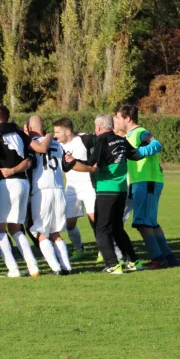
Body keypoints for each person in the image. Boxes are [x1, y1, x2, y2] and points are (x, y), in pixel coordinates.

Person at [67, 113, 151, 274]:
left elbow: (92, 164)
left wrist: (73, 161)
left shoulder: (102, 141)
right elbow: (136, 155)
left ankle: (112, 264)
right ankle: (133, 261)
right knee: (117, 227)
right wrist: (150, 145)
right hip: (121, 190)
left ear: (98, 127)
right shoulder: (121, 140)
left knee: (101, 228)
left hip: (106, 189)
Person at [0, 105, 51, 277]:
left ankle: (13, 269)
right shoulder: (20, 134)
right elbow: (38, 151)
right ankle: (33, 267)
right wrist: (49, 135)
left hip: (6, 184)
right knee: (16, 228)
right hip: (23, 183)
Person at [114, 104, 178, 269]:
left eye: (118, 117)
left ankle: (158, 258)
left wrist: (140, 153)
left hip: (146, 181)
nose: (116, 121)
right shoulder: (129, 135)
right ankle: (169, 257)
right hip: (142, 181)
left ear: (127, 118)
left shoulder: (140, 132)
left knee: (142, 223)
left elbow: (156, 144)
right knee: (150, 222)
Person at [26, 115, 74, 275]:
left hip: (42, 190)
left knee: (41, 232)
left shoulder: (32, 144)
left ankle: (56, 268)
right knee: (55, 233)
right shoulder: (57, 144)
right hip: (59, 189)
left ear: (30, 128)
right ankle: (67, 266)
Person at [52, 118, 97, 260]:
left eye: (57, 132)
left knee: (95, 220)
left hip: (89, 186)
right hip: (71, 188)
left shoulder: (85, 139)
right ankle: (79, 249)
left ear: (67, 131)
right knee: (69, 224)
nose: (55, 135)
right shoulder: (57, 145)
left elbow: (103, 139)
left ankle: (103, 250)